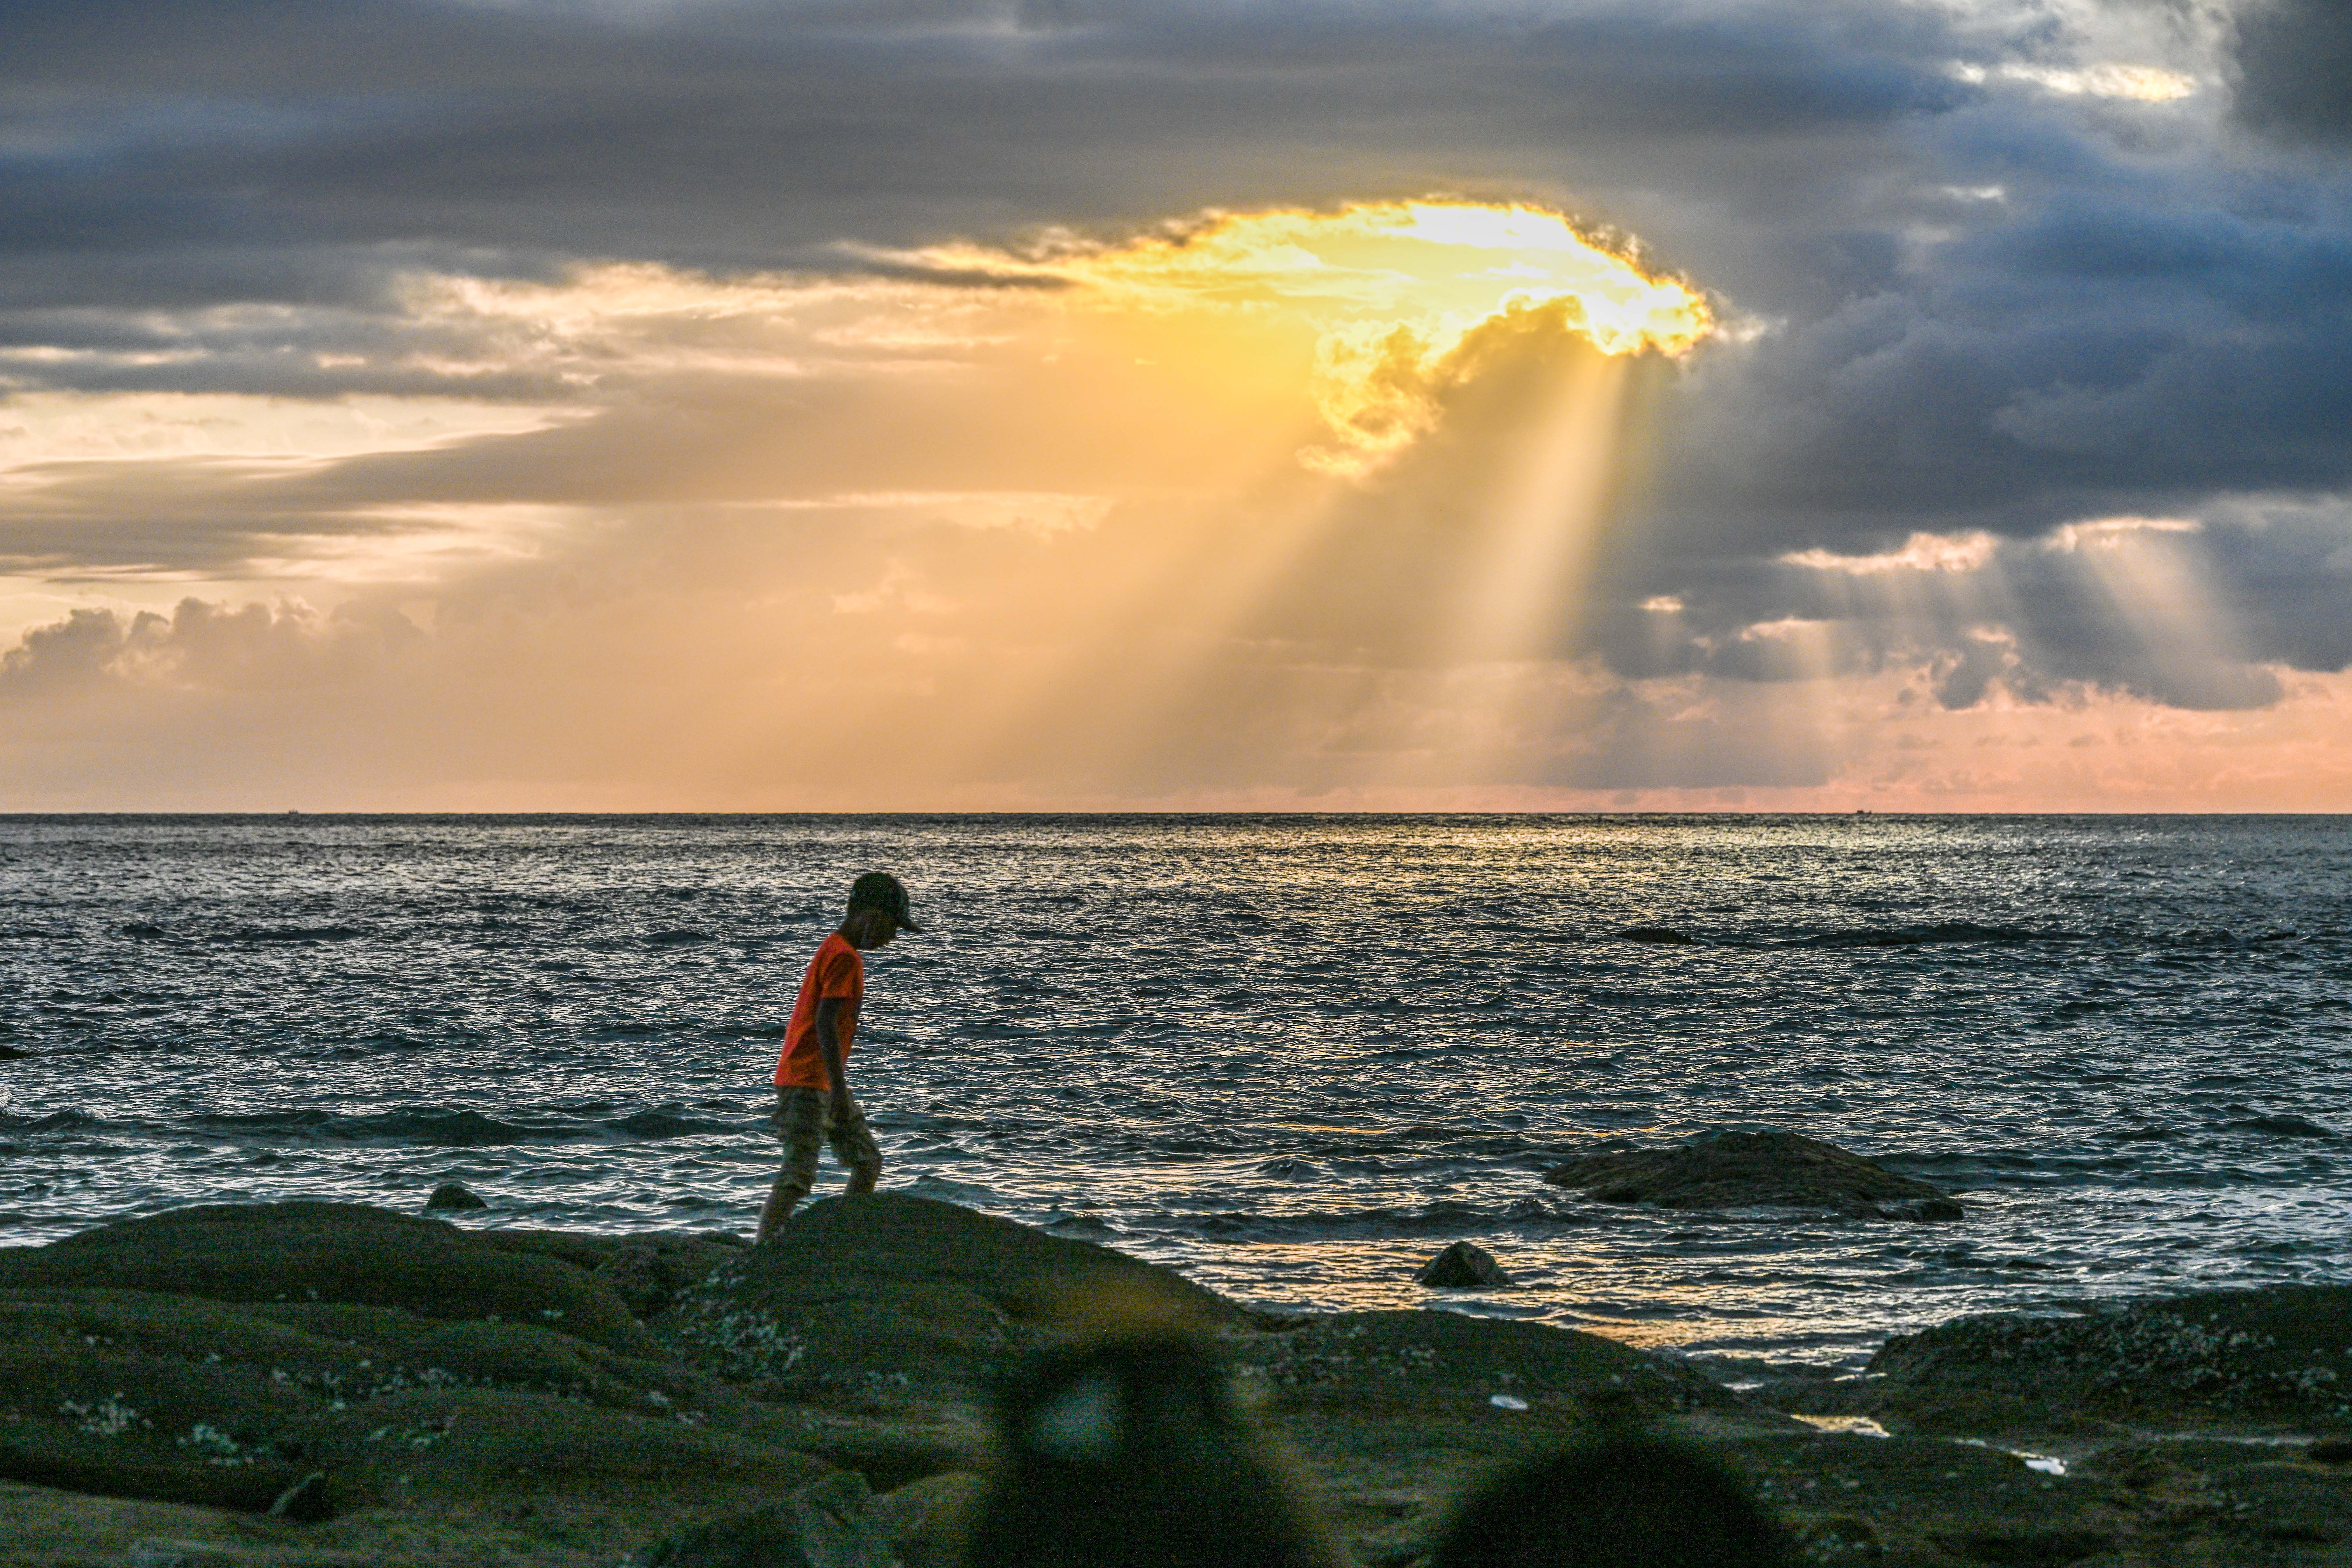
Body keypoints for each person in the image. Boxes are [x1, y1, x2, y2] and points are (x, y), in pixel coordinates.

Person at [757, 871, 924, 1243]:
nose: (892, 939)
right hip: (807, 1083)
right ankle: (760, 1254)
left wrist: (836, 1089)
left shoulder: (834, 948)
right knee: (796, 1176)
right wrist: (839, 1087)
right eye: (893, 929)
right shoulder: (845, 958)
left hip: (821, 1082)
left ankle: (844, 1242)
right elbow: (825, 1022)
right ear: (872, 918)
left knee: (868, 1162)